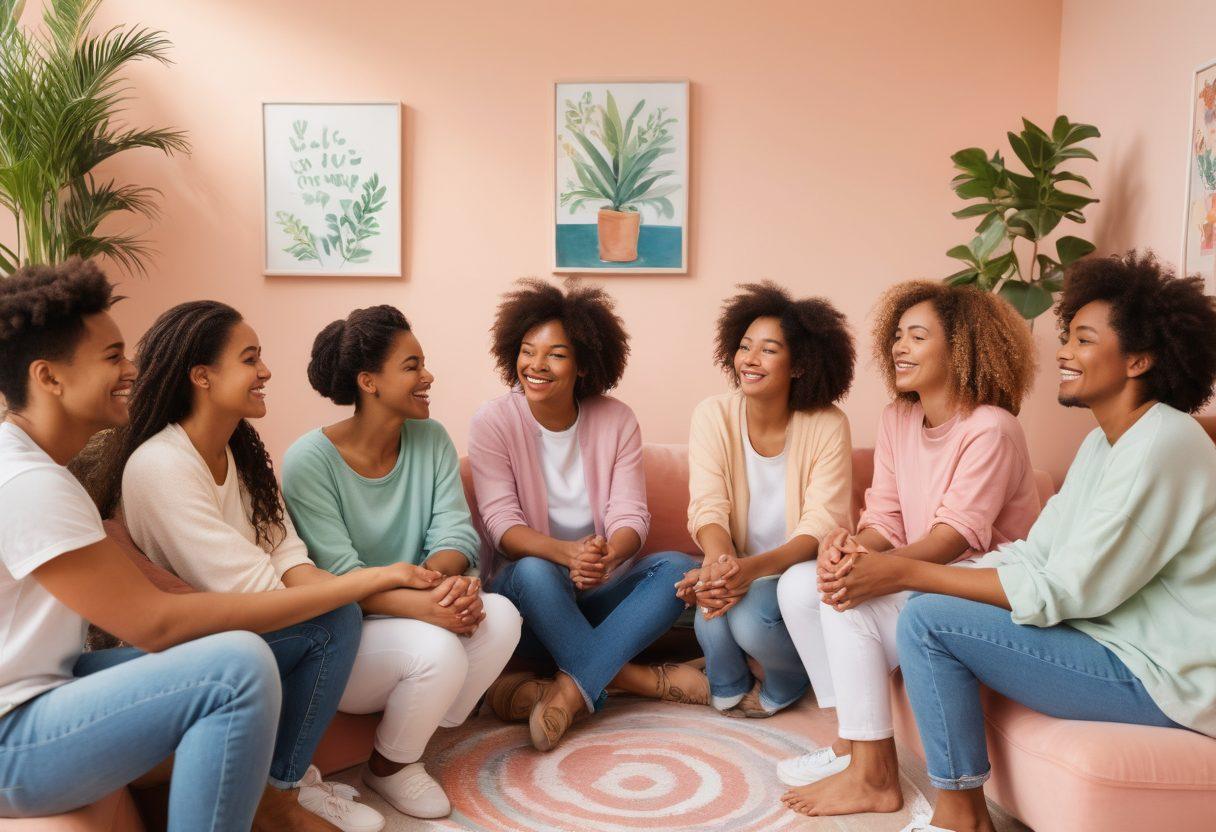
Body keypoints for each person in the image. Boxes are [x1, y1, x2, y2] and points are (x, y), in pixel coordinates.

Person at [0, 262, 419, 831]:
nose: (131, 370)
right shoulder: (29, 482)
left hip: (55, 684)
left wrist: (354, 592)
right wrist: (370, 580)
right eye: (113, 357)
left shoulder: (39, 470)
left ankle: (276, 795)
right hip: (12, 734)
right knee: (235, 667)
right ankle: (271, 806)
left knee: (314, 627)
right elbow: (158, 623)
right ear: (49, 378)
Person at [827, 252, 1216, 832]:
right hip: (1113, 644)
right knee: (929, 609)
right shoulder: (1105, 444)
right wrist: (904, 570)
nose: (1062, 353)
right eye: (1068, 337)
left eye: (1083, 340)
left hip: (1163, 674)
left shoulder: (1163, 442)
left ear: (1139, 358)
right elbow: (1038, 553)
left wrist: (906, 573)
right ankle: (954, 807)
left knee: (929, 618)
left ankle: (961, 818)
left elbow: (1072, 589)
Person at [776, 282, 1040, 817]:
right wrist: (850, 548)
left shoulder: (992, 429)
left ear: (962, 348)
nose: (899, 347)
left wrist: (873, 570)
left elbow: (955, 538)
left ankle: (875, 777)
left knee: (844, 598)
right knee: (801, 584)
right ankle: (854, 742)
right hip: (919, 573)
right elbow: (886, 518)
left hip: (974, 586)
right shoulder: (899, 418)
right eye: (897, 335)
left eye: (917, 337)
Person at [282, 305, 521, 819]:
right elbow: (336, 577)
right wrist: (427, 606)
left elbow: (456, 532)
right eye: (412, 365)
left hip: (419, 603)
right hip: (351, 631)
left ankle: (414, 736)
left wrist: (437, 590)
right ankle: (389, 767)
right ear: (369, 382)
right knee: (439, 648)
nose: (427, 375)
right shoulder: (309, 461)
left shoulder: (430, 438)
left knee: (502, 616)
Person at [470, 279, 704, 752]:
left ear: (583, 365)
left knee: (680, 569)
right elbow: (501, 526)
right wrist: (567, 553)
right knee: (536, 570)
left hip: (597, 596)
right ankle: (640, 681)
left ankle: (563, 691)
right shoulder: (493, 421)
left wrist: (606, 553)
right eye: (527, 351)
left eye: (555, 354)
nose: (536, 365)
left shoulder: (616, 419)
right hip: (527, 604)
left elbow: (631, 515)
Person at [680, 281, 855, 719]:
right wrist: (719, 565)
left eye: (769, 350)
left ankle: (789, 677)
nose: (750, 360)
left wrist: (749, 571)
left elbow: (821, 524)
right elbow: (708, 502)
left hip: (795, 569)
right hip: (736, 560)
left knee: (749, 618)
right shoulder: (712, 414)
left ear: (800, 365)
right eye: (744, 347)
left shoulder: (828, 424)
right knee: (710, 614)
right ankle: (730, 682)